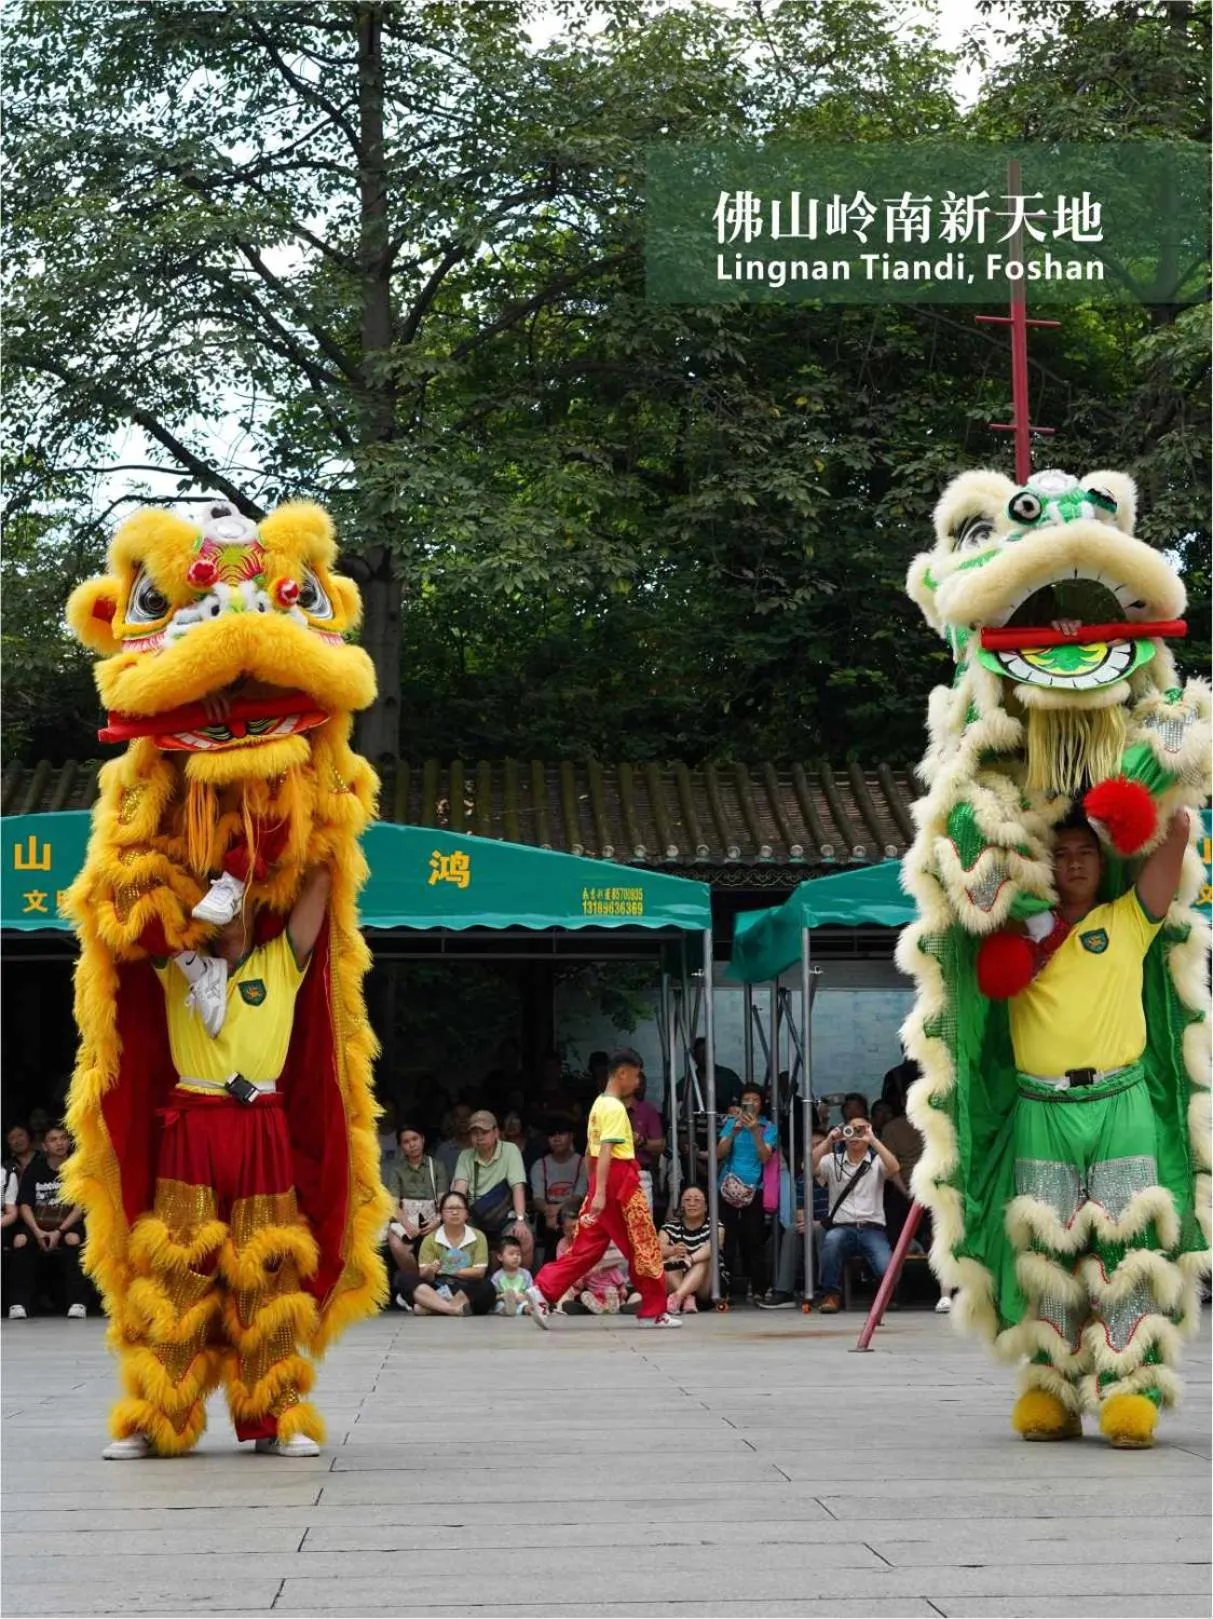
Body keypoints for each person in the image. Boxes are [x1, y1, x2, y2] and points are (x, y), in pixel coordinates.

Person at [99, 866, 339, 1459]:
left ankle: (274, 1415)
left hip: (262, 1126)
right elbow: (128, 907)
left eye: (235, 899)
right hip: (192, 1124)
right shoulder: (175, 964)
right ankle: (158, 1416)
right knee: (178, 1268)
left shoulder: (282, 959)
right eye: (216, 898)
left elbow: (321, 880)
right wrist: (185, 878)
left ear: (255, 907)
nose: (226, 910)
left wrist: (309, 828)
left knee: (267, 1268)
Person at [975, 811, 1193, 1446]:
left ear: (1103, 862)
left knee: (1128, 1249)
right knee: (1048, 1255)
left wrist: (1150, 787)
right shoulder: (1012, 936)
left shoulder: (1127, 919)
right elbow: (968, 877)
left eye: (1084, 852)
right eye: (1060, 852)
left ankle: (1130, 1392)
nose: (1072, 862)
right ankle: (1054, 1390)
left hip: (1121, 1100)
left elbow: (1176, 833)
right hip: (1039, 1105)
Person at [526, 1048, 678, 1328]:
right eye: (636, 1076)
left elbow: (590, 1151)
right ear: (622, 1073)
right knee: (643, 1243)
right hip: (620, 1182)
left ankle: (543, 1290)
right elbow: (606, 1149)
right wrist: (598, 1192)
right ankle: (654, 1311)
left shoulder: (599, 1104)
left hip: (602, 1179)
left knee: (588, 1247)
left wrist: (595, 1187)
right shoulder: (615, 1107)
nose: (638, 1082)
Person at [811, 1112, 900, 1314]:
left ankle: (884, 1297)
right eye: (851, 1130)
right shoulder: (832, 1160)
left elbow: (894, 1168)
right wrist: (829, 1139)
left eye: (861, 1130)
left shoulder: (876, 1162)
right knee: (831, 1241)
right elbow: (810, 1166)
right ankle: (831, 1294)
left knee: (886, 1266)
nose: (855, 1135)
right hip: (842, 1227)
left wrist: (873, 1139)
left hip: (872, 1228)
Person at [8, 1124, 92, 1320]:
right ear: (44, 1146)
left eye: (63, 1138)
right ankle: (18, 1303)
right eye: (53, 1140)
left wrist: (59, 1231)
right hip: (38, 1224)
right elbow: (25, 1205)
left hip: (67, 1224)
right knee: (20, 1240)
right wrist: (37, 1232)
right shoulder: (35, 1169)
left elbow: (80, 1207)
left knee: (73, 1239)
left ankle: (77, 1302)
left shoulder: (78, 1169)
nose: (60, 1143)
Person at [716, 1083, 776, 1303]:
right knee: (727, 1239)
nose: (751, 1104)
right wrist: (733, 1131)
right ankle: (724, 1289)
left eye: (755, 1100)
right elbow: (719, 1153)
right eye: (747, 1100)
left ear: (762, 1103)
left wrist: (755, 1131)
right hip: (728, 1187)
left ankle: (759, 1288)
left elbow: (765, 1157)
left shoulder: (768, 1127)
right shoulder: (731, 1123)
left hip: (754, 1189)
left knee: (754, 1239)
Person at [452, 1111, 533, 1269]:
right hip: (475, 1214)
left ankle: (523, 1282)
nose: (479, 1137)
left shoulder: (510, 1150)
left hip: (505, 1214)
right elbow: (459, 1190)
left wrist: (520, 1220)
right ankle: (462, 1282)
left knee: (524, 1237)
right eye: (475, 1133)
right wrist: (455, 1218)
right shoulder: (465, 1155)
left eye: (484, 1132)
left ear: (496, 1132)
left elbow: (518, 1187)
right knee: (457, 1240)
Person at [396, 1190, 495, 1316]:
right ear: (441, 1214)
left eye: (459, 1208)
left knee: (487, 1287)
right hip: (437, 1289)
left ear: (467, 1214)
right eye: (449, 1209)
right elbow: (425, 1275)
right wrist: (431, 1270)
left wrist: (448, 1270)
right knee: (404, 1279)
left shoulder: (478, 1236)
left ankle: (433, 1308)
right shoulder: (430, 1239)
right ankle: (452, 1309)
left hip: (465, 1289)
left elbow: (479, 1273)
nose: (454, 1212)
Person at [385, 1124, 448, 1285]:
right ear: (401, 1146)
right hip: (406, 1217)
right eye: (406, 1142)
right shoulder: (397, 1170)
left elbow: (444, 1200)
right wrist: (407, 1225)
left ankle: (430, 1285)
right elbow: (393, 1204)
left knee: (441, 1244)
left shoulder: (437, 1166)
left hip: (433, 1217)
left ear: (423, 1140)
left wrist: (437, 1221)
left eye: (415, 1139)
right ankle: (418, 1284)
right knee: (395, 1242)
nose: (412, 1144)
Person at [660, 1185, 723, 1313]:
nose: (692, 1204)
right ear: (681, 1205)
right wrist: (673, 1250)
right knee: (671, 1259)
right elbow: (657, 1249)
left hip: (705, 1289)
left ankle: (679, 1296)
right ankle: (685, 1297)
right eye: (687, 1200)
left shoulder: (715, 1225)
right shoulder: (669, 1227)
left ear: (706, 1206)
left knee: (704, 1261)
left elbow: (714, 1246)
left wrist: (690, 1259)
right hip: (674, 1283)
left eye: (697, 1200)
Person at [530, 1119, 587, 1258]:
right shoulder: (540, 1165)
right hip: (546, 1214)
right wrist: (549, 1211)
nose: (556, 1139)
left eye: (561, 1134)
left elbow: (578, 1197)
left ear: (571, 1137)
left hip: (574, 1212)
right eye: (552, 1135)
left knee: (565, 1216)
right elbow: (537, 1199)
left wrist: (557, 1210)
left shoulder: (582, 1163)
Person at [627, 1073, 666, 1212]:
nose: (642, 1088)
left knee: (641, 1223)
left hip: (640, 1174)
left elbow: (660, 1145)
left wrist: (641, 1141)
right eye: (638, 1084)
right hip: (612, 1174)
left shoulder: (647, 1110)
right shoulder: (608, 1110)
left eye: (643, 1084)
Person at [690, 1037, 742, 1112]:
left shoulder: (728, 1076)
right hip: (696, 1119)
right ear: (694, 1056)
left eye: (708, 1052)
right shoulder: (689, 1081)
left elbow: (745, 1097)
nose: (705, 1056)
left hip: (727, 1118)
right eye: (701, 1053)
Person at [490, 1233, 535, 1316]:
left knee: (526, 1305)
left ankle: (525, 1310)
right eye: (511, 1254)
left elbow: (532, 1292)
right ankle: (506, 1310)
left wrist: (523, 1296)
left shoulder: (526, 1274)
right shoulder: (497, 1276)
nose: (515, 1257)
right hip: (505, 1302)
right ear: (500, 1257)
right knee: (499, 1305)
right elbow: (493, 1296)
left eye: (518, 1254)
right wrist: (503, 1296)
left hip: (521, 1301)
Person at [435, 1103, 474, 1182]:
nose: (463, 1120)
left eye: (467, 1116)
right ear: (452, 1121)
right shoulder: (444, 1150)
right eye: (458, 1117)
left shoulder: (482, 1146)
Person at [502, 1108, 545, 1176]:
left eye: (515, 1120)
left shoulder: (533, 1148)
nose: (511, 1124)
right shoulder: (499, 1148)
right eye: (508, 1120)